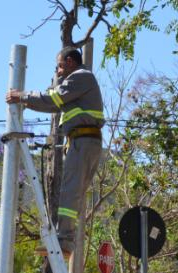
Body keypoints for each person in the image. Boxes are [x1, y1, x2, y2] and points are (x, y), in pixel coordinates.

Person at [6, 46, 104, 258]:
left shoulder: (81, 77)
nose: (58, 72)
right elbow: (53, 103)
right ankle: (64, 239)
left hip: (83, 140)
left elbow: (53, 99)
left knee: (70, 192)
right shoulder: (78, 83)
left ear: (70, 61)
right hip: (83, 141)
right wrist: (28, 100)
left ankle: (64, 240)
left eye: (59, 66)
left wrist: (22, 97)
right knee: (72, 192)